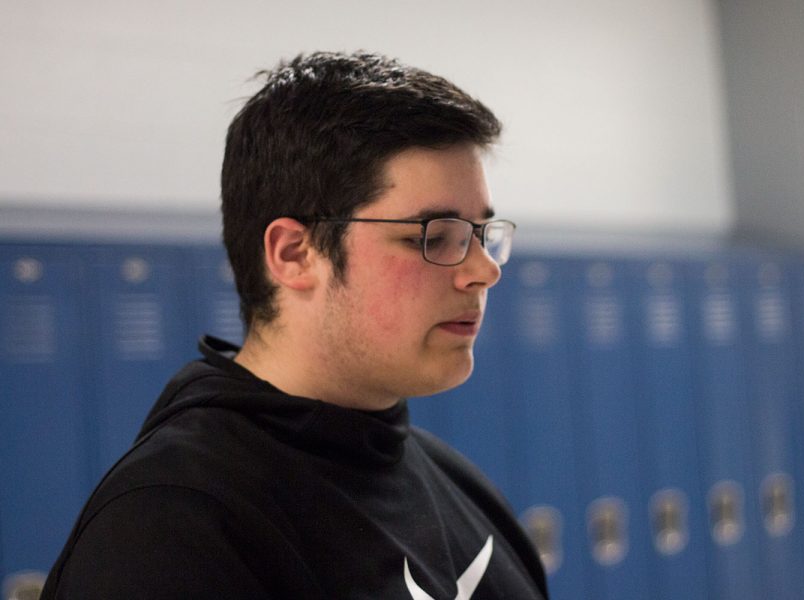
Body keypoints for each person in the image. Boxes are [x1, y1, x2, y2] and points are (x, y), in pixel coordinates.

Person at [40, 51, 548, 599]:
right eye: (435, 236)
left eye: (481, 232)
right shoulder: (168, 529)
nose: (485, 270)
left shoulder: (461, 487)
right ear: (294, 253)